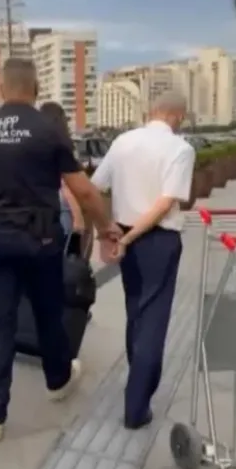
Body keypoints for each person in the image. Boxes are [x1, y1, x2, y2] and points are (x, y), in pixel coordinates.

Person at [0, 59, 118, 441]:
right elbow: (82, 190)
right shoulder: (47, 130)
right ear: (36, 89)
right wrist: (105, 227)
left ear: (1, 88)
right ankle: (58, 381)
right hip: (39, 241)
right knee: (49, 314)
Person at [91, 92, 195, 430]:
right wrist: (130, 237)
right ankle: (136, 407)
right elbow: (165, 204)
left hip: (124, 234)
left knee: (135, 310)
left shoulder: (123, 141)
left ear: (152, 111)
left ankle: (136, 378)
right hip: (157, 240)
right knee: (153, 319)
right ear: (177, 116)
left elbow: (94, 187)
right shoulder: (180, 149)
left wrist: (109, 231)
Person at [39, 102, 85, 240]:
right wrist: (78, 216)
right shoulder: (64, 145)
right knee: (69, 246)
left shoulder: (37, 142)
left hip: (43, 209)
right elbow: (67, 184)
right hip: (64, 207)